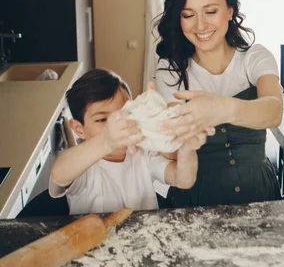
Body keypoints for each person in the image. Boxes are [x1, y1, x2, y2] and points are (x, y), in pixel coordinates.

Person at [154, 0, 283, 207]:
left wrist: (221, 108)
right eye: (188, 15)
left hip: (258, 191)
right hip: (196, 196)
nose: (200, 25)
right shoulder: (169, 69)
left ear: (230, 11)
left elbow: (273, 112)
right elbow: (173, 149)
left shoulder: (255, 57)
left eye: (210, 11)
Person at [49, 69, 203, 215]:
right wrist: (107, 141)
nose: (116, 125)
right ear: (78, 128)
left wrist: (186, 147)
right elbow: (59, 174)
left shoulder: (142, 154)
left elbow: (184, 180)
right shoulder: (83, 167)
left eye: (124, 113)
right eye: (102, 119)